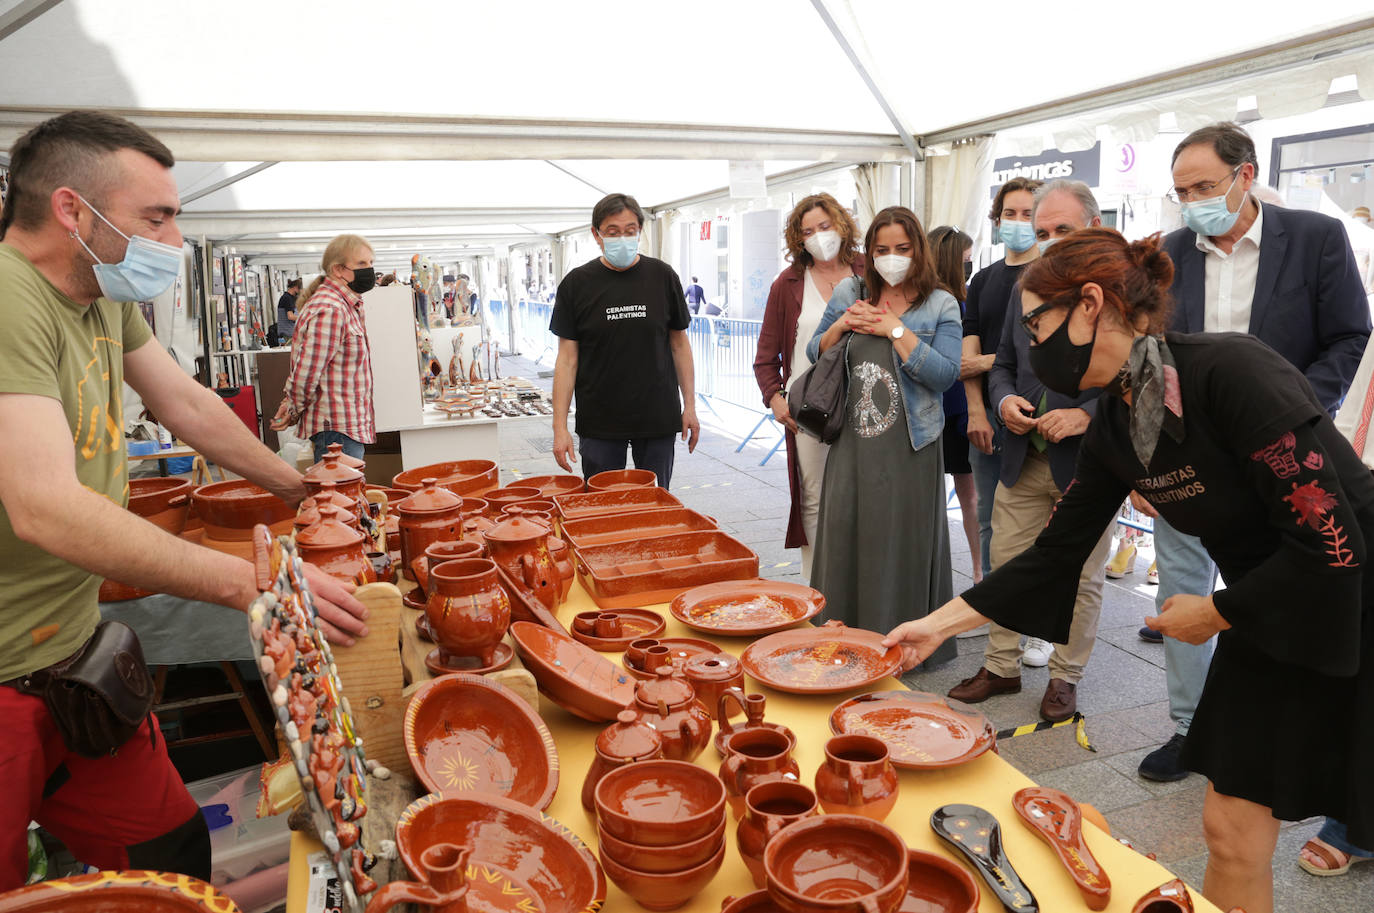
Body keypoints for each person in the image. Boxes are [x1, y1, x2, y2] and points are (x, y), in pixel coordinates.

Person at [885, 229, 1374, 913]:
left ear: (1090, 304)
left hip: (1351, 598)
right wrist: (935, 627)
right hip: (1268, 611)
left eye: (1035, 321)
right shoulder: (1116, 424)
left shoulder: (1231, 371)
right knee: (1230, 830)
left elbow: (1335, 544)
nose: (1026, 341)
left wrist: (1213, 613)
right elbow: (1054, 554)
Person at [0, 111, 368, 893]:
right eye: (157, 216)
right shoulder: (8, 297)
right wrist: (250, 583)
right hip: (3, 678)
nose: (173, 238)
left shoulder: (99, 295)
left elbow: (186, 404)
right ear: (73, 210)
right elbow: (44, 508)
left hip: (73, 660)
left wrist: (298, 486)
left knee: (170, 848)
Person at [1137, 122, 1372, 784]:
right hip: (1190, 456)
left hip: (1282, 456)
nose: (1192, 202)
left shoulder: (1316, 239)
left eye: (1204, 186)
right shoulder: (1170, 252)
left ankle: (1291, 721)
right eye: (1181, 190)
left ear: (1246, 175)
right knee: (1181, 584)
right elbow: (1150, 357)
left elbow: (1350, 334)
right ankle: (1189, 726)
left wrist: (1293, 409)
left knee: (1274, 583)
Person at [947, 180, 1112, 722]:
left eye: (1062, 230)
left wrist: (1085, 414)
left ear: (1093, 225)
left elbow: (1138, 378)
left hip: (1088, 466)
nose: (1050, 241)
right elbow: (1007, 365)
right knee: (1005, 562)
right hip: (1024, 453)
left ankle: (1066, 679)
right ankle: (1001, 666)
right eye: (1043, 232)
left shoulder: (1121, 291)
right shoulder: (1026, 288)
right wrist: (1004, 400)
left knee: (1082, 576)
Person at [806, 206, 960, 663]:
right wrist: (842, 323)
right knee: (845, 533)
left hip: (911, 444)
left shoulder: (940, 303)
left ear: (919, 251)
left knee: (903, 541)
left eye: (902, 249)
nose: (891, 258)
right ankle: (842, 636)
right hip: (852, 441)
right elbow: (816, 350)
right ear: (868, 253)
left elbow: (945, 374)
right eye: (881, 250)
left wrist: (895, 329)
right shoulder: (852, 290)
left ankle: (906, 645)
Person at [550, 193, 699, 488]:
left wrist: (690, 406)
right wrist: (559, 428)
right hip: (600, 420)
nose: (623, 238)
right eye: (613, 232)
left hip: (657, 415)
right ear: (596, 235)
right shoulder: (576, 285)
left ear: (640, 231)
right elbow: (567, 360)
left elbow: (679, 345)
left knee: (657, 505)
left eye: (630, 230)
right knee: (602, 506)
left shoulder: (663, 277)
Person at [753, 192, 864, 579]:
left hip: (866, 404)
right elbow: (765, 356)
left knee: (862, 498)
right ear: (798, 240)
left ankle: (859, 584)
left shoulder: (869, 271)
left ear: (842, 225)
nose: (819, 236)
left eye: (825, 226)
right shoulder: (788, 284)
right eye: (808, 231)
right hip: (809, 410)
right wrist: (774, 397)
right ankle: (818, 589)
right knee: (813, 497)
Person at [962, 178, 1041, 584]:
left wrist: (990, 362)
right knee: (989, 519)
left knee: (1037, 528)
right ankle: (993, 608)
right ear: (996, 220)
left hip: (1039, 419)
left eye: (1028, 214)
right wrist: (976, 410)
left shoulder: (1049, 276)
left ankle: (1036, 625)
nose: (1018, 221)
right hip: (989, 419)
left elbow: (1040, 351)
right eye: (1010, 213)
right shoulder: (983, 280)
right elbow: (966, 355)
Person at [270, 234, 379, 463]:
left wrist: (290, 405)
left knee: (343, 497)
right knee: (339, 497)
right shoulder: (331, 309)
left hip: (342, 427)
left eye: (371, 263)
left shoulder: (342, 305)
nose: (369, 269)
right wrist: (291, 409)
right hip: (337, 430)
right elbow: (307, 373)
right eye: (362, 263)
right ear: (338, 269)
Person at [928, 225, 981, 582]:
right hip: (951, 409)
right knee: (970, 498)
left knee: (964, 498)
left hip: (954, 409)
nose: (970, 267)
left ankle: (977, 575)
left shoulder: (944, 301)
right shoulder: (951, 303)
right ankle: (979, 575)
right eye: (965, 261)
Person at [276, 276, 301, 343]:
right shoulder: (287, 298)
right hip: (287, 335)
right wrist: (304, 318)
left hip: (290, 333)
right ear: (295, 287)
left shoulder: (291, 298)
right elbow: (290, 316)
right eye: (300, 289)